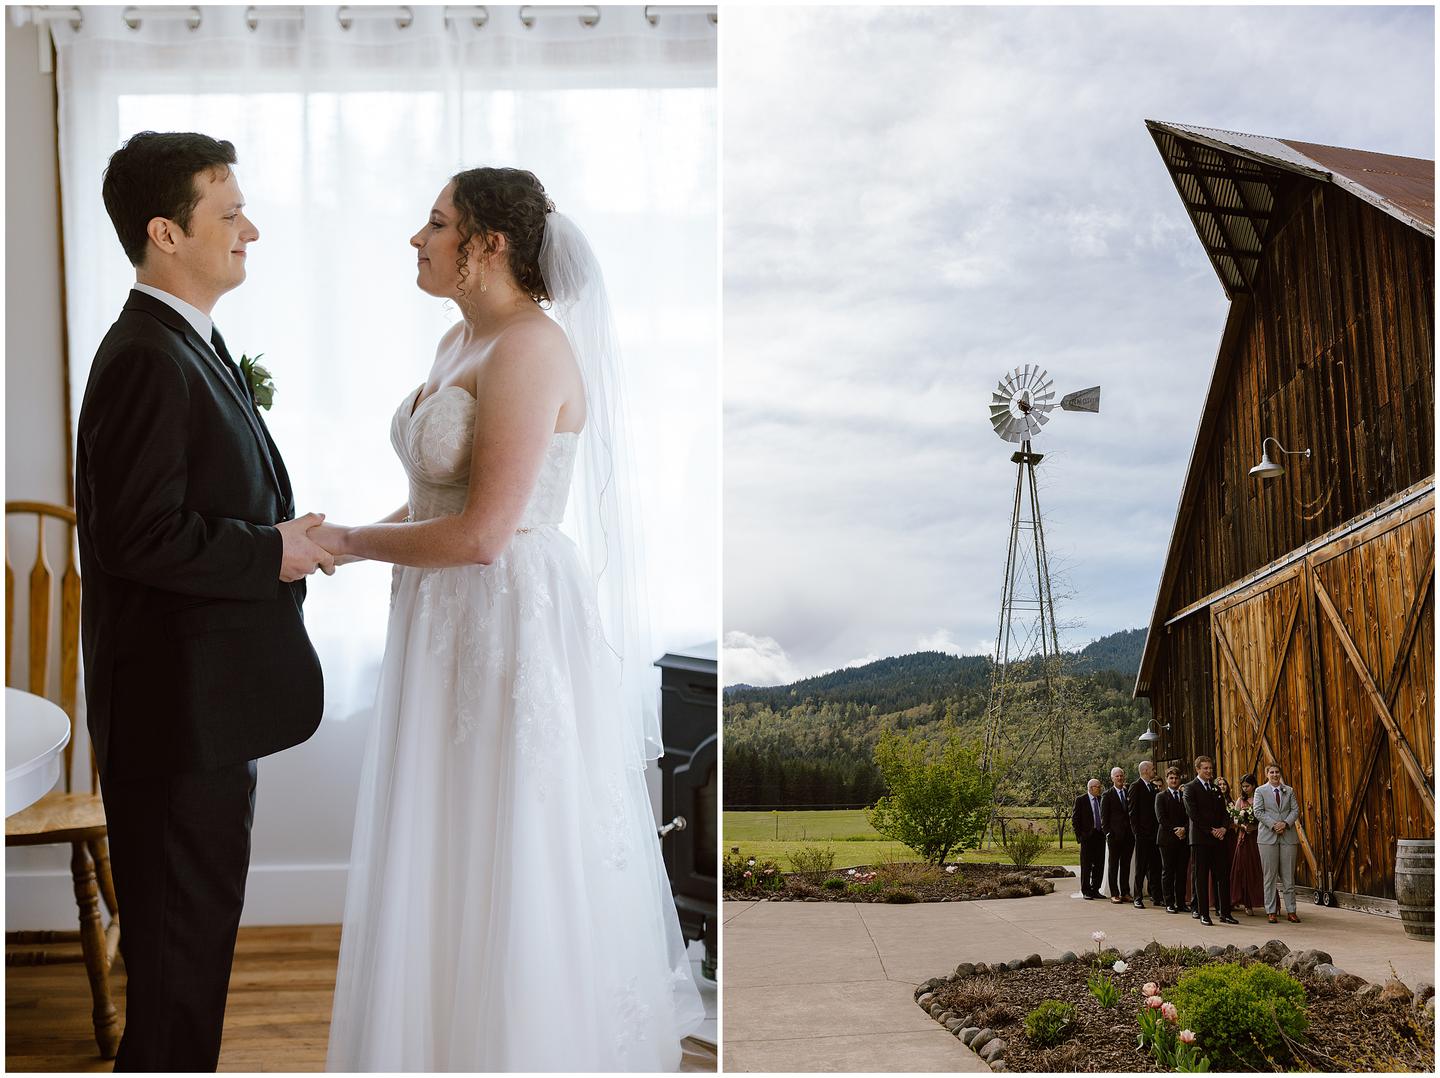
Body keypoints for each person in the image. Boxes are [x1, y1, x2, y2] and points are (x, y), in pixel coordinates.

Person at [318, 169, 704, 1070]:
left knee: (508, 835)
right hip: (440, 613)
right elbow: (432, 497)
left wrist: (348, 541)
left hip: (505, 616)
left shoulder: (530, 349)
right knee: (444, 832)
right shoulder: (459, 338)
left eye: (437, 222)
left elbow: (487, 531)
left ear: (488, 245)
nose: (418, 238)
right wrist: (331, 541)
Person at [76, 132, 331, 1071]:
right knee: (179, 968)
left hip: (201, 713)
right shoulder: (146, 355)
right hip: (176, 720)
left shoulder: (188, 342)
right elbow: (136, 539)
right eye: (229, 214)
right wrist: (274, 550)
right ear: (164, 234)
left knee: (190, 958)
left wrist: (277, 538)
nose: (250, 229)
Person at [1183, 755, 1237, 926]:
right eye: (1205, 768)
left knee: (1222, 876)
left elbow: (1225, 813)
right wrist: (1210, 830)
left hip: (1218, 839)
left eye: (1210, 768)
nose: (1209, 771)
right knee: (1201, 877)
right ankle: (1203, 913)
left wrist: (1223, 828)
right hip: (1200, 839)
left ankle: (1225, 913)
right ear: (1198, 769)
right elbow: (1193, 814)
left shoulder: (1215, 789)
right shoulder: (1190, 788)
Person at [1253, 762, 1302, 924]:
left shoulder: (1289, 791)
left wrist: (1285, 823)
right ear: (1267, 774)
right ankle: (1271, 911)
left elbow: (1295, 810)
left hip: (1288, 836)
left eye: (1277, 772)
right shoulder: (1260, 791)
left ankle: (1291, 910)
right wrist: (1274, 825)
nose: (1275, 775)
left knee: (1288, 876)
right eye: (1272, 772)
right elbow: (1258, 811)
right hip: (1268, 837)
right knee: (1270, 876)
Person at [1154, 765, 1190, 914]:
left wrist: (1184, 829)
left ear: (1179, 779)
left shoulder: (1185, 796)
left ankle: (1181, 902)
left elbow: (1191, 815)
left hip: (1183, 839)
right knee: (1168, 872)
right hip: (1167, 839)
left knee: (1181, 872)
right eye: (1171, 778)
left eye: (1176, 777)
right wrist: (1176, 830)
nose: (1174, 780)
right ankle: (1169, 902)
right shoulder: (1160, 796)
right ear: (1167, 779)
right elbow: (1161, 818)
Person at [1128, 760, 1163, 908]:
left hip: (1154, 834)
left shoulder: (1153, 788)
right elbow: (1132, 812)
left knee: (1155, 867)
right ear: (1146, 770)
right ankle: (1138, 897)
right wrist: (1137, 832)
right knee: (1141, 867)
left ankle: (1156, 896)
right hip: (1142, 834)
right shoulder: (1136, 787)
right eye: (1153, 768)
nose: (1154, 771)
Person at [1230, 773, 1266, 915]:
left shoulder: (1260, 798)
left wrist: (1255, 826)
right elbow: (1235, 818)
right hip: (1244, 837)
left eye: (1248, 786)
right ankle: (1247, 903)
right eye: (1243, 786)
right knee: (1243, 870)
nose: (1245, 789)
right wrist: (1244, 826)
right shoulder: (1240, 800)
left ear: (1254, 785)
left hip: (1258, 836)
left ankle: (1267, 902)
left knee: (1260, 869)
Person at [1100, 766, 1134, 903]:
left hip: (1129, 836)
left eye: (1121, 775)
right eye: (1117, 776)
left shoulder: (1129, 793)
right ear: (1112, 778)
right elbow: (1104, 818)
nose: (1120, 778)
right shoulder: (1107, 795)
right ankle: (1115, 893)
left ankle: (1125, 892)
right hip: (1114, 836)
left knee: (1126, 865)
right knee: (1113, 866)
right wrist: (1108, 833)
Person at [1071, 778, 1106, 899]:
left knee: (1099, 864)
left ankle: (1095, 889)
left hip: (1100, 837)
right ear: (1091, 788)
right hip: (1087, 838)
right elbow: (1075, 820)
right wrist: (1080, 837)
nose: (1100, 789)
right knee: (1086, 865)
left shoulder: (1101, 800)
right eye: (1098, 787)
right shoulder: (1081, 800)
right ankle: (1086, 891)